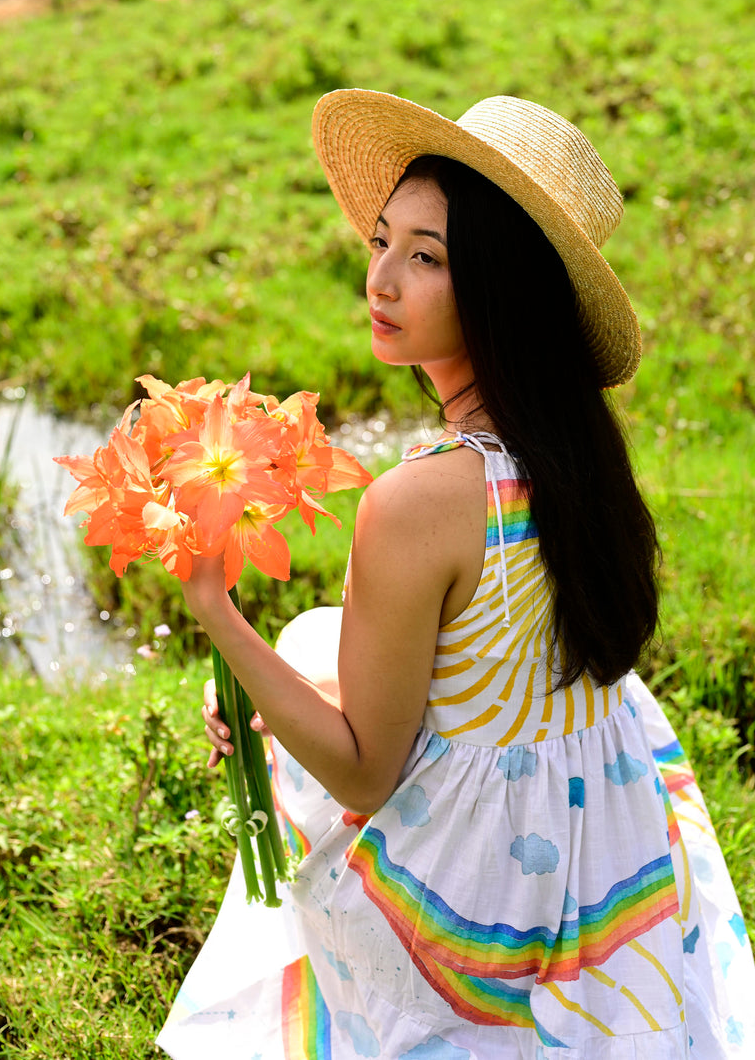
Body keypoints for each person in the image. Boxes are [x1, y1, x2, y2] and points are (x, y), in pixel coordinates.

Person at [156, 90, 755, 1059]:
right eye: (381, 240)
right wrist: (293, 682)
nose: (380, 280)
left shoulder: (418, 500)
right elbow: (489, 665)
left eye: (425, 258)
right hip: (604, 839)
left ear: (499, 289)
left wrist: (213, 610)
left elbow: (364, 769)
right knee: (316, 647)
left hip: (479, 894)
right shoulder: (572, 453)